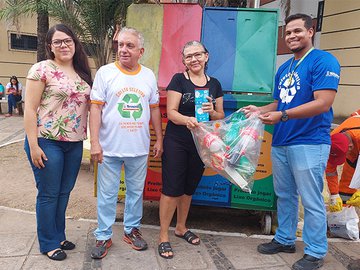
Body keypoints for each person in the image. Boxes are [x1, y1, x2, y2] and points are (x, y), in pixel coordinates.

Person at [242, 14, 340, 270]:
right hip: (282, 141)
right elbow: (281, 102)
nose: (292, 36)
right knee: (284, 195)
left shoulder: (323, 61)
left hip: (309, 141)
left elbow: (323, 102)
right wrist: (259, 110)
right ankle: (285, 238)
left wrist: (282, 115)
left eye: (298, 31)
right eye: (288, 33)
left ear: (311, 31)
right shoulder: (285, 68)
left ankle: (316, 251)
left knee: (310, 198)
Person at [89, 27, 163, 259]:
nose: (123, 49)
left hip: (139, 149)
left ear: (140, 51)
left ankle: (131, 230)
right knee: (107, 194)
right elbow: (95, 108)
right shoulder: (105, 72)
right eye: (120, 45)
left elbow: (154, 110)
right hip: (109, 148)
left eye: (129, 46)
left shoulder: (148, 75)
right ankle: (103, 235)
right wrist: (94, 143)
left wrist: (159, 137)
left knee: (135, 193)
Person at [24, 24, 92, 261]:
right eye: (58, 42)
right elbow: (30, 109)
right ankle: (48, 242)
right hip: (47, 140)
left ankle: (59, 234)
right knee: (49, 193)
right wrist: (33, 145)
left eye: (68, 41)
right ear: (50, 46)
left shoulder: (82, 72)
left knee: (64, 193)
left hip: (74, 142)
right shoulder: (42, 69)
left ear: (75, 43)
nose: (64, 45)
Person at [158, 41, 224, 259]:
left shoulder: (214, 84)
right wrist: (188, 120)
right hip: (178, 140)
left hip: (201, 142)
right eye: (188, 56)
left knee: (188, 187)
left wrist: (212, 111)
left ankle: (181, 227)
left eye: (197, 55)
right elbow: (171, 112)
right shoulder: (179, 80)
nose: (193, 59)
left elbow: (220, 116)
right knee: (171, 189)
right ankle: (163, 236)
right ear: (184, 61)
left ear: (206, 56)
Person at [326, 113, 360, 212]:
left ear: (350, 147)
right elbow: (330, 170)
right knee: (346, 190)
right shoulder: (333, 141)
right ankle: (344, 217)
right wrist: (334, 195)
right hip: (354, 153)